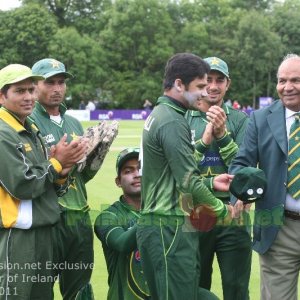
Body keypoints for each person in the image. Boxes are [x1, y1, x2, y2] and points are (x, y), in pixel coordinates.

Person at [136, 53, 235, 300]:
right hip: (169, 226)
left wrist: (211, 179)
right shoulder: (172, 120)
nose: (205, 92)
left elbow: (175, 167)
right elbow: (188, 180)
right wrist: (222, 211)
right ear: (179, 84)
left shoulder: (163, 114)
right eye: (200, 86)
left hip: (162, 225)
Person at [0, 64, 86, 299]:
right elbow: (23, 184)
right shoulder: (2, 132)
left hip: (43, 231)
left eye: (30, 90)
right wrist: (57, 163)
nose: (28, 97)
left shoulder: (30, 127)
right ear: (2, 95)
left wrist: (62, 172)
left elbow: (44, 180)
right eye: (20, 91)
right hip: (17, 237)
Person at [229, 53, 300, 300]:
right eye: (282, 81)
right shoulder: (260, 119)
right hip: (278, 229)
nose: (287, 87)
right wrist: (240, 192)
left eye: (295, 80)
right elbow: (241, 163)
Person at [30, 58, 97, 299]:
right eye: (49, 83)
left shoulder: (74, 122)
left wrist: (94, 158)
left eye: (61, 83)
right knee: (41, 289)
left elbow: (81, 177)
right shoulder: (29, 122)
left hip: (79, 216)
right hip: (49, 218)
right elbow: (31, 175)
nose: (57, 89)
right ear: (35, 85)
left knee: (79, 290)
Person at [185, 57, 251, 299]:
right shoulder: (185, 117)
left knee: (236, 289)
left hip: (234, 213)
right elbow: (182, 171)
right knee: (196, 287)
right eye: (207, 80)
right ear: (198, 82)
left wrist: (222, 135)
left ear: (228, 84)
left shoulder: (240, 119)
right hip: (196, 213)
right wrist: (205, 140)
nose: (212, 86)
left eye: (219, 80)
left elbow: (245, 169)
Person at [94, 147, 151, 299]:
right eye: (128, 171)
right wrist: (156, 212)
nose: (137, 174)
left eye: (141, 168)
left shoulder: (165, 210)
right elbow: (122, 243)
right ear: (118, 182)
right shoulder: (107, 216)